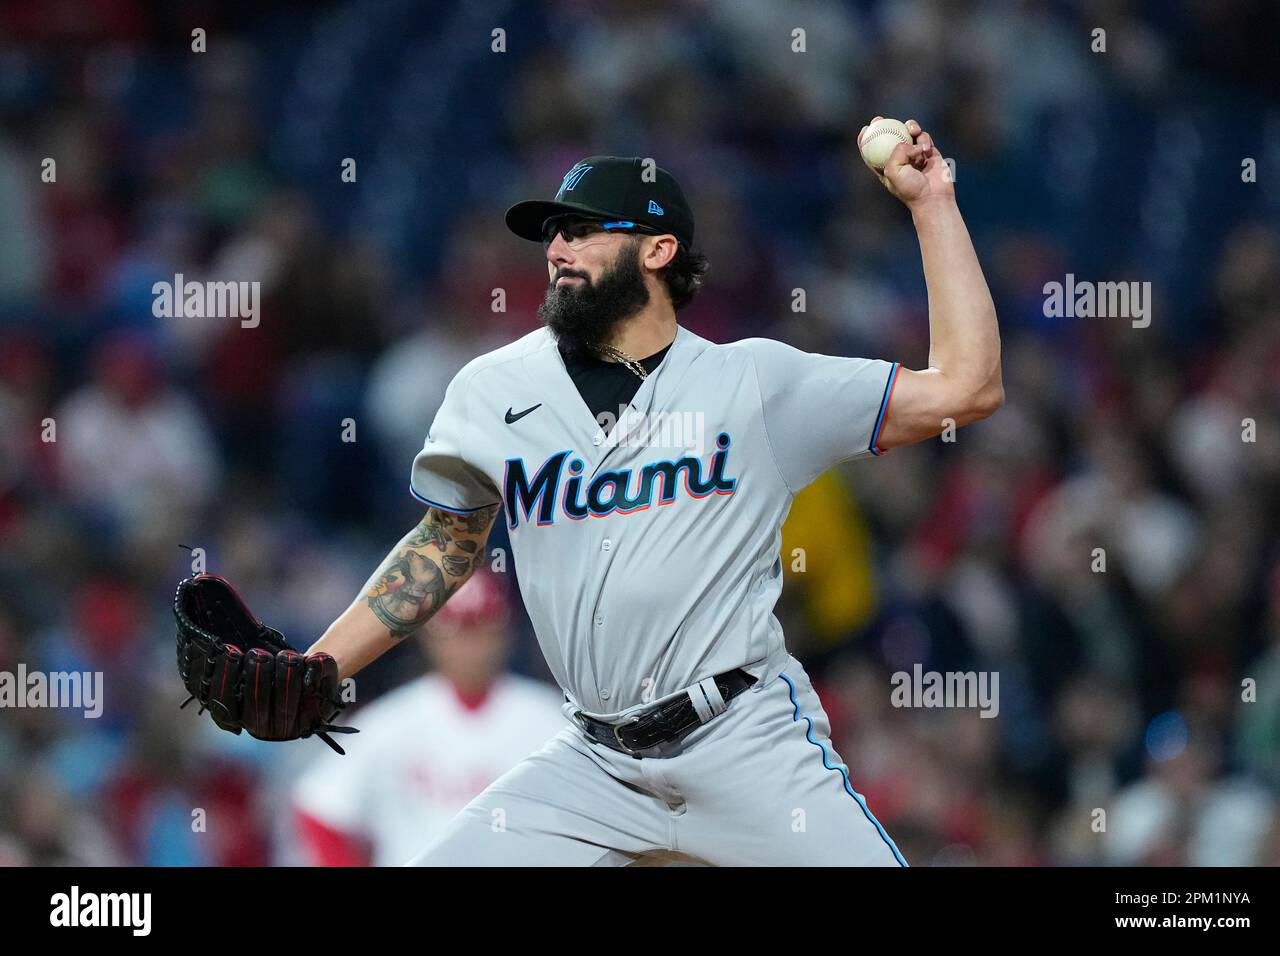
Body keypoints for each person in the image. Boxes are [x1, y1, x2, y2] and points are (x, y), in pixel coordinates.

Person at [306, 119, 1002, 865]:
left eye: (581, 231)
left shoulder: (755, 384)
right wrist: (321, 668)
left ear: (658, 248)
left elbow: (968, 386)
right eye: (553, 235)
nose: (557, 249)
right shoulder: (493, 389)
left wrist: (932, 204)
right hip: (593, 760)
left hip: (744, 739)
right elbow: (444, 543)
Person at [293, 573, 563, 866]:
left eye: (480, 629)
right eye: (457, 631)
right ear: (430, 637)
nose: (469, 646)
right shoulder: (392, 720)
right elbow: (319, 807)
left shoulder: (550, 719)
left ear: (506, 632)